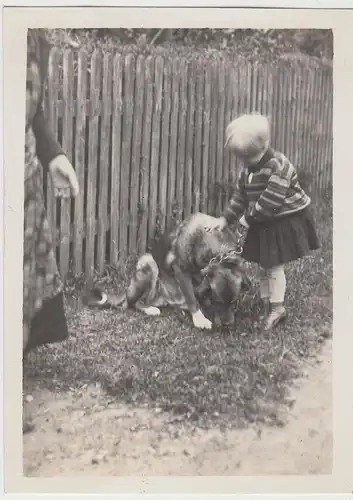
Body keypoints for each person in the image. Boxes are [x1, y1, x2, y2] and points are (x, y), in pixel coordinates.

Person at [205, 113, 320, 332]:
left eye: (249, 158)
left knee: (274, 265)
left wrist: (248, 218)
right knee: (263, 264)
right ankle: (267, 301)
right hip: (262, 220)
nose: (245, 163)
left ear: (265, 145)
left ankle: (277, 309)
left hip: (282, 221)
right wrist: (225, 218)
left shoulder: (279, 167)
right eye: (242, 159)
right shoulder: (249, 168)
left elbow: (271, 202)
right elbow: (241, 195)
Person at [23, 29, 79, 430]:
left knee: (21, 284)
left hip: (20, 178)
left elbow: (29, 106)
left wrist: (52, 153)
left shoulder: (30, 33)